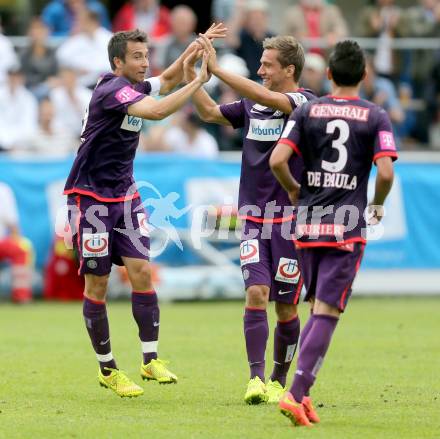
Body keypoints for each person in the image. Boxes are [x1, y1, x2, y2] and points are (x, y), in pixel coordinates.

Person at [63, 25, 225, 398]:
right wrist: (199, 80)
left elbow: (166, 81)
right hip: (91, 198)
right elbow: (156, 110)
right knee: (98, 283)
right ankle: (108, 369)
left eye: (145, 54)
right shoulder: (110, 90)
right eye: (136, 56)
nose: (144, 62)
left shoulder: (132, 85)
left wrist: (194, 48)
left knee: (141, 270)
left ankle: (150, 360)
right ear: (117, 61)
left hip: (125, 194)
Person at [270, 40, 397, 426]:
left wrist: (294, 189)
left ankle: (303, 394)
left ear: (327, 74)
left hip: (306, 223)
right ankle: (295, 393)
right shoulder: (375, 116)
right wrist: (377, 203)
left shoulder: (307, 110)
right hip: (345, 225)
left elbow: (278, 160)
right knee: (328, 310)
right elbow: (387, 172)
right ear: (364, 75)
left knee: (315, 307)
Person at [186, 35, 315, 404]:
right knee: (256, 293)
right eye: (260, 63)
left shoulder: (303, 102)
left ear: (289, 70)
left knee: (286, 306)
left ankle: (278, 378)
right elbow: (210, 113)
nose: (260, 70)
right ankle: (256, 379)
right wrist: (191, 77)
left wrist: (218, 70)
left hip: (292, 221)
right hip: (255, 218)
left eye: (267, 64)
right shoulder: (251, 106)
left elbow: (272, 99)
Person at [0, 182, 34, 303]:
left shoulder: (3, 190)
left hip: (1, 243)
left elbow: (12, 223)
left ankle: (21, 296)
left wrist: (18, 240)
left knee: (22, 249)